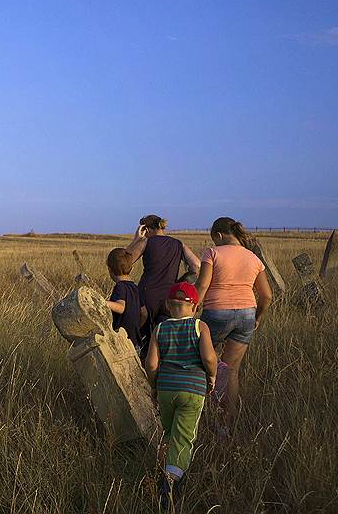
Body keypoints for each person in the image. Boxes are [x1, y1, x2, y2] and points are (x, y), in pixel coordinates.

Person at [194, 217, 272, 437]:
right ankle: (225, 425)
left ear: (219, 235)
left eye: (214, 239)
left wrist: (192, 309)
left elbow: (202, 285)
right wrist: (257, 318)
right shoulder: (254, 258)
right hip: (247, 314)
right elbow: (267, 296)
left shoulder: (212, 253)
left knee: (199, 362)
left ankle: (198, 413)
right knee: (231, 370)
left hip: (216, 313)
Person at [145, 282, 217, 510]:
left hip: (166, 389)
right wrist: (212, 376)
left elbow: (151, 364)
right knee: (184, 437)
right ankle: (171, 483)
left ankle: (165, 469)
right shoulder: (199, 326)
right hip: (192, 389)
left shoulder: (160, 329)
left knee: (169, 433)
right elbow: (209, 358)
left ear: (168, 305)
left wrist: (154, 387)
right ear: (195, 307)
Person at [125, 214, 201, 354]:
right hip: (169, 298)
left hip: (147, 295)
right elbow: (196, 265)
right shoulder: (178, 244)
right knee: (163, 339)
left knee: (142, 340)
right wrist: (181, 281)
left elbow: (124, 263)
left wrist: (136, 239)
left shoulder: (146, 242)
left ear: (146, 229)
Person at [105, 248, 147, 350]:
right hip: (135, 340)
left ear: (109, 269)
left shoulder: (120, 287)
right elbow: (144, 313)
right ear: (131, 268)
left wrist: (103, 302)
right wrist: (136, 327)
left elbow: (121, 307)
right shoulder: (135, 288)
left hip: (121, 340)